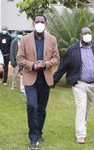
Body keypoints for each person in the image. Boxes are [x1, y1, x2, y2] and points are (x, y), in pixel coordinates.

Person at [53, 27, 94, 144]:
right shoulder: (73, 49)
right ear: (80, 36)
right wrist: (54, 80)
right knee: (81, 107)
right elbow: (63, 66)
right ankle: (80, 134)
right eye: (85, 33)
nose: (87, 35)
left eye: (89, 33)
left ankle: (82, 125)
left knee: (87, 107)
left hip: (93, 84)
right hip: (79, 83)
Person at [16, 14, 60, 150]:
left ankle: (39, 132)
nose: (39, 23)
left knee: (41, 109)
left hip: (45, 78)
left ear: (45, 24)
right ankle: (33, 137)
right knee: (32, 105)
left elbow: (56, 58)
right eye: (37, 21)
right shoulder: (24, 39)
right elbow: (20, 58)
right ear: (33, 23)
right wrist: (33, 65)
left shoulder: (52, 40)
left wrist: (46, 64)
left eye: (42, 21)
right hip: (30, 77)